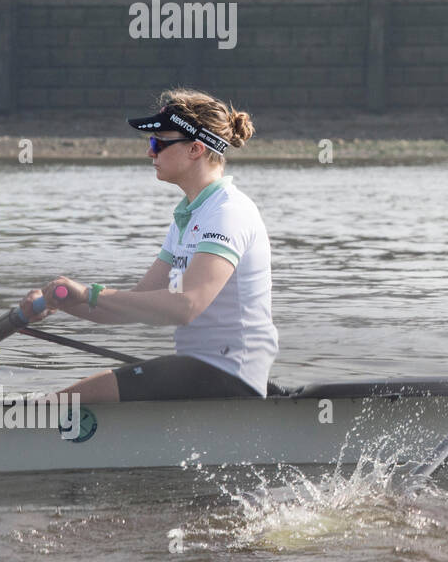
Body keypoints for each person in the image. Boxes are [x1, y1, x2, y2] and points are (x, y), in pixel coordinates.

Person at [19, 89, 278, 401]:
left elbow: (186, 305)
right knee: (65, 401)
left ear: (195, 149)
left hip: (228, 374)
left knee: (57, 405)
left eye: (158, 143)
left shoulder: (228, 212)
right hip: (198, 371)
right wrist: (60, 302)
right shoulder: (189, 215)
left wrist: (89, 293)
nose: (149, 153)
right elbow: (134, 304)